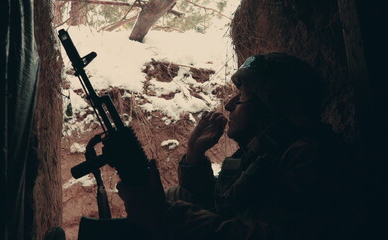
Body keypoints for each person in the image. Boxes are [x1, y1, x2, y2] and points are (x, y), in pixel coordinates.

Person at [117, 52, 351, 240]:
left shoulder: (308, 156)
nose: (230, 105)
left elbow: (277, 234)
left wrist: (165, 216)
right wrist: (194, 156)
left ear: (272, 104)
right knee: (177, 195)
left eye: (242, 97)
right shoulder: (262, 152)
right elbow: (222, 203)